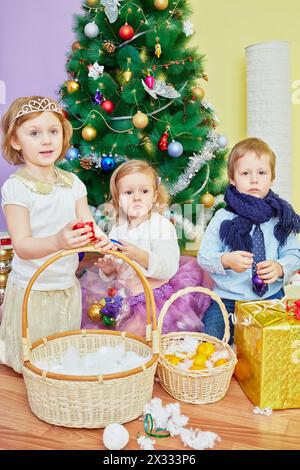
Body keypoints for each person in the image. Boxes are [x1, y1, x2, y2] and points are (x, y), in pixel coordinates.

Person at [0, 96, 113, 373]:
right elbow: (23, 246)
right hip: (33, 287)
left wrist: (99, 237)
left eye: (53, 131)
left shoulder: (72, 183)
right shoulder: (16, 188)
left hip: (64, 283)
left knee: (60, 355)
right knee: (33, 359)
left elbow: (86, 222)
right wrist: (57, 242)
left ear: (63, 136)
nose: (46, 140)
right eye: (34, 133)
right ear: (16, 141)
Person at [81, 159, 213, 336]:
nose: (137, 197)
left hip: (152, 297)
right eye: (128, 192)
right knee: (112, 333)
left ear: (154, 196)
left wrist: (139, 255)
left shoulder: (161, 226)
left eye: (144, 191)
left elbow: (168, 267)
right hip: (123, 297)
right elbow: (118, 269)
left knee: (137, 336)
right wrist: (110, 269)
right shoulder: (118, 228)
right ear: (118, 199)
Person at [198, 137, 300, 343]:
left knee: (275, 345)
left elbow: (295, 253)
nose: (254, 180)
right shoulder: (223, 218)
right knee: (212, 341)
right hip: (227, 298)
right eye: (245, 173)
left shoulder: (281, 216)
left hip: (269, 297)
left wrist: (280, 267)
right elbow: (203, 257)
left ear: (271, 178)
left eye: (261, 173)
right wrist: (226, 260)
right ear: (233, 179)